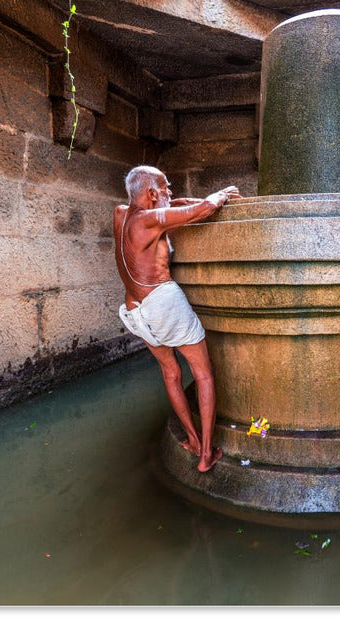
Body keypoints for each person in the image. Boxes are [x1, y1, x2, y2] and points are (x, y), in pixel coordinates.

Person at [113, 165, 241, 472]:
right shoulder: (147, 221)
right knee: (203, 375)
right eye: (166, 187)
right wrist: (220, 195)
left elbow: (174, 206)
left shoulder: (121, 213)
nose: (170, 192)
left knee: (171, 373)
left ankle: (193, 440)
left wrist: (177, 200)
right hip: (162, 303)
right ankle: (207, 454)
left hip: (135, 311)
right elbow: (202, 211)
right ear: (152, 194)